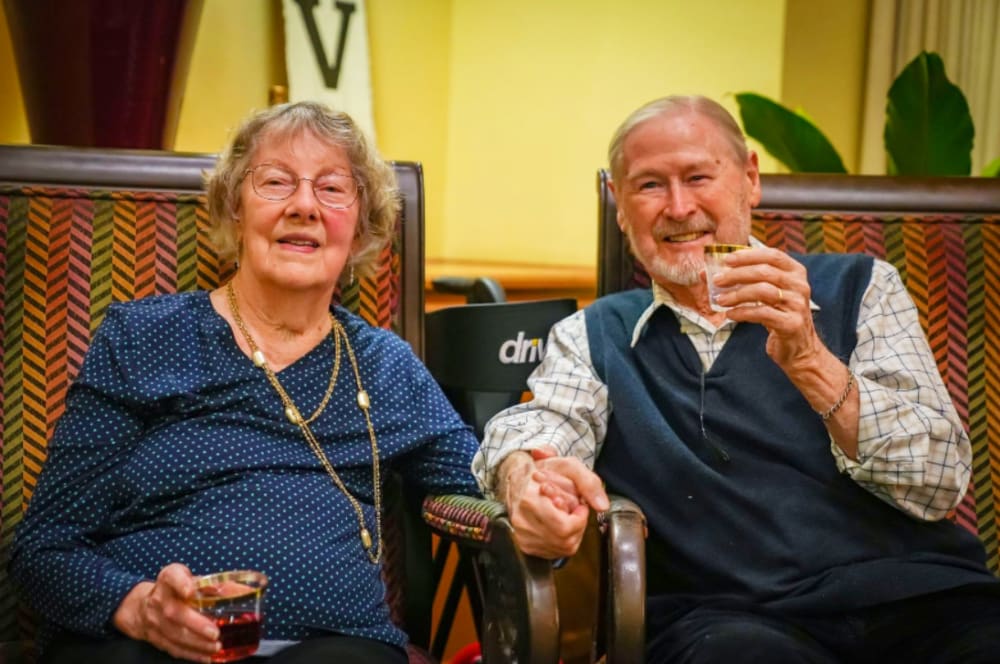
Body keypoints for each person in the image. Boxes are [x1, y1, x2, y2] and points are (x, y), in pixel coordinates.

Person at [473, 95, 1000, 662]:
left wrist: (810, 360)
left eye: (699, 176)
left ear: (750, 179)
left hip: (920, 597)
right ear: (620, 206)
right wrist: (527, 480)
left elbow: (940, 482)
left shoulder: (863, 286)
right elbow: (539, 427)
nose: (678, 207)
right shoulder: (593, 335)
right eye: (649, 185)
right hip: (729, 620)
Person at [11, 101, 480, 664]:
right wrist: (137, 607)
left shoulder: (382, 363)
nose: (304, 206)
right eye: (276, 182)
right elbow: (44, 547)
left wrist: (529, 478)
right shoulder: (141, 337)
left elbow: (477, 482)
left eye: (332, 189)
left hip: (331, 650)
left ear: (360, 230)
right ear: (235, 210)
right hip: (144, 646)